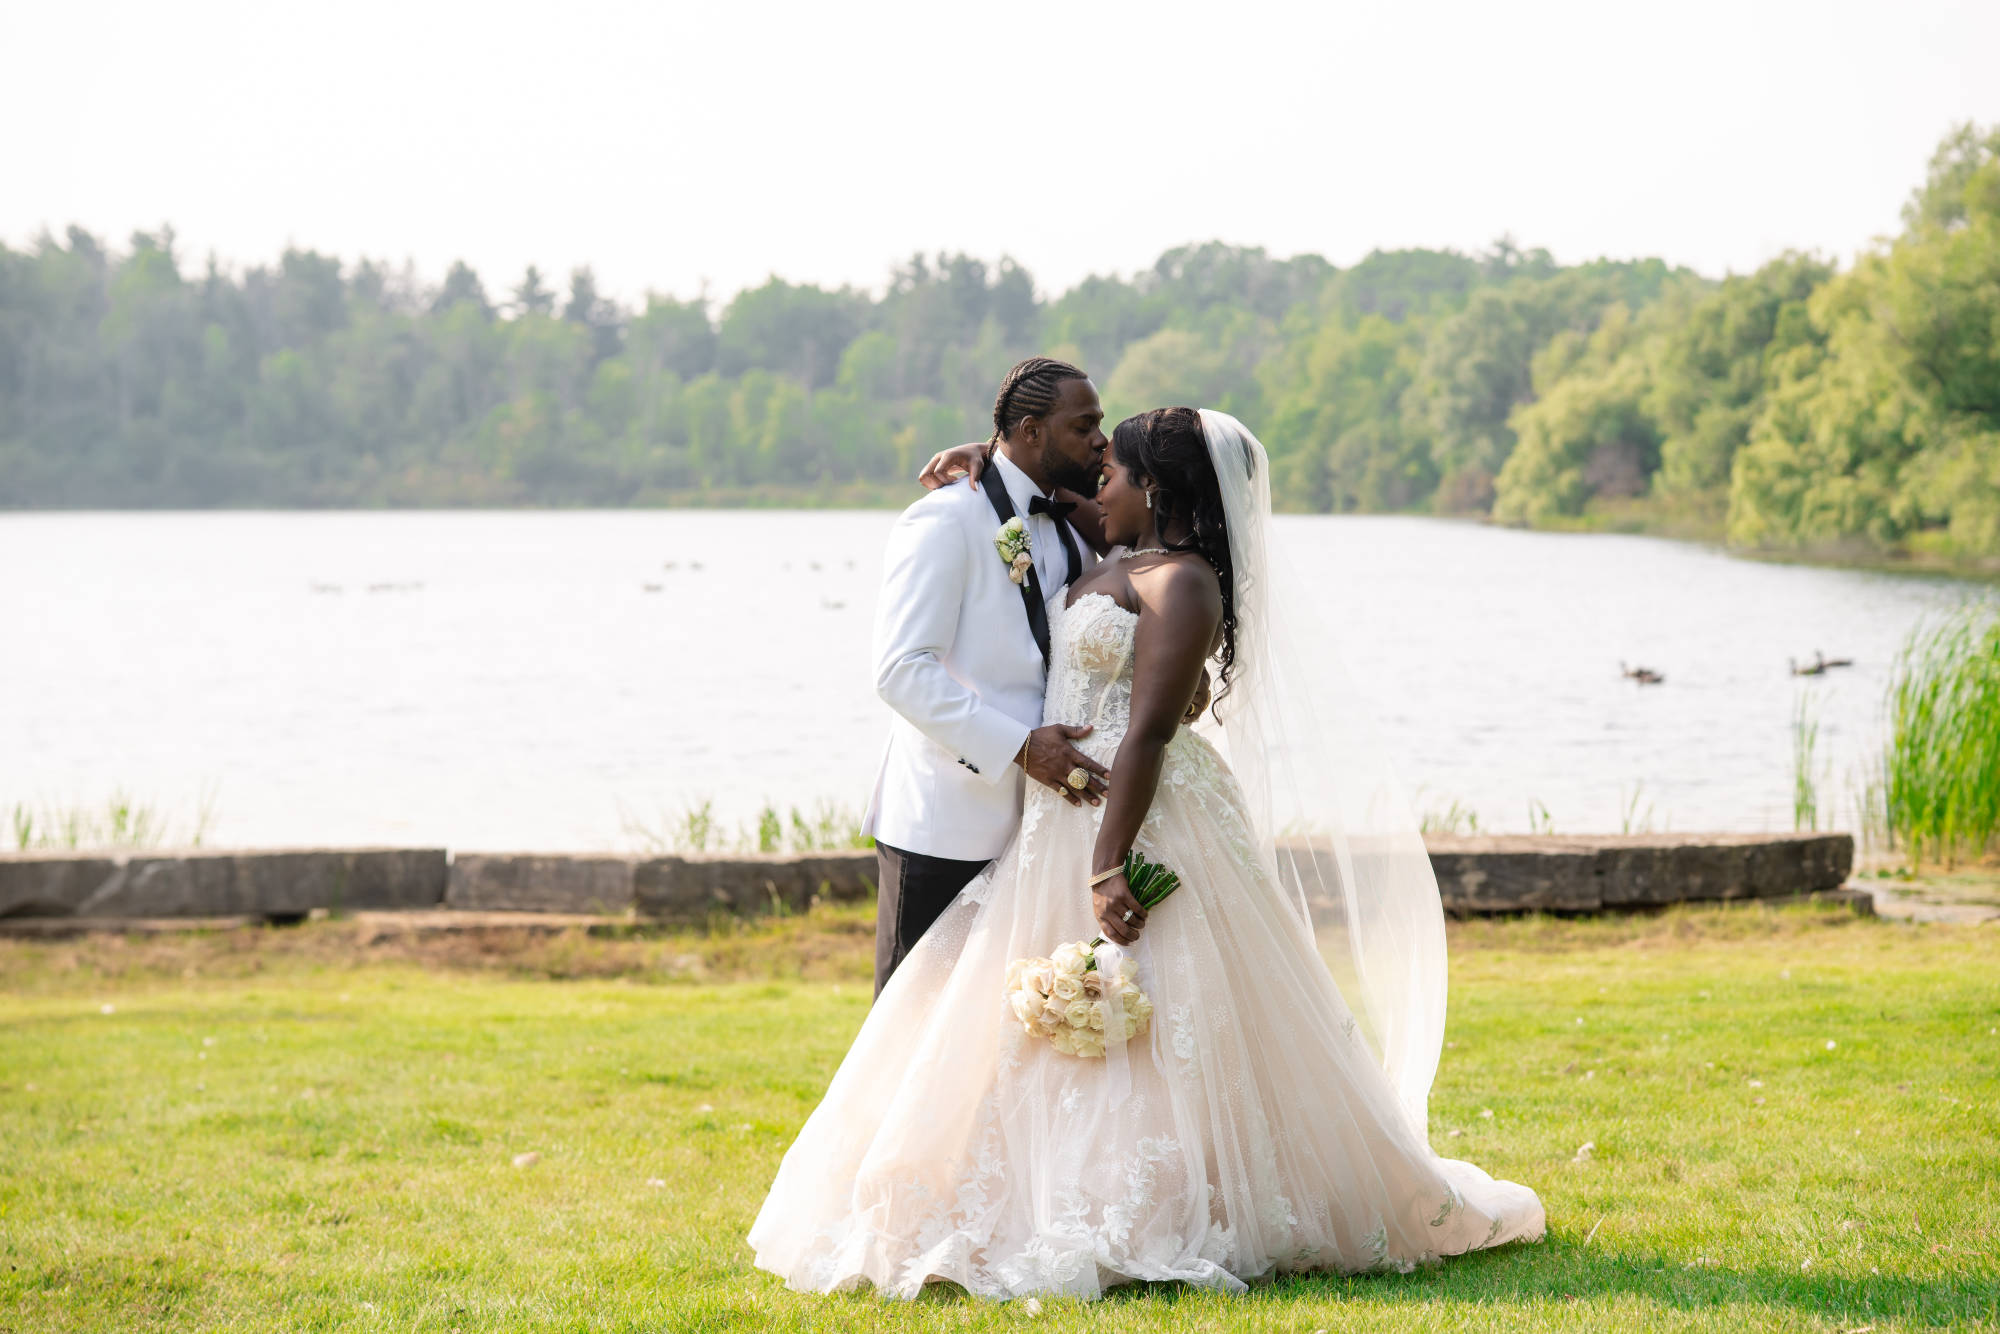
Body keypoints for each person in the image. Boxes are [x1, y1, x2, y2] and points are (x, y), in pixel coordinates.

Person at [750, 407, 1545, 1299]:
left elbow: (1150, 735)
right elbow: (1036, 492)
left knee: (1165, 1000)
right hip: (1056, 815)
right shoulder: (1115, 548)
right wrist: (989, 454)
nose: (1101, 484)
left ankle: (1171, 1198)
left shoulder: (1183, 582)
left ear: (1155, 488)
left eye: (1115, 473)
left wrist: (1107, 863)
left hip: (1134, 813)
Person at [860, 356, 1114, 997]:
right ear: (1030, 431)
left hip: (1042, 831)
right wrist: (1022, 748)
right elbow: (900, 671)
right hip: (947, 822)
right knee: (912, 1023)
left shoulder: (1077, 521)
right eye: (1083, 426)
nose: (1100, 440)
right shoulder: (944, 519)